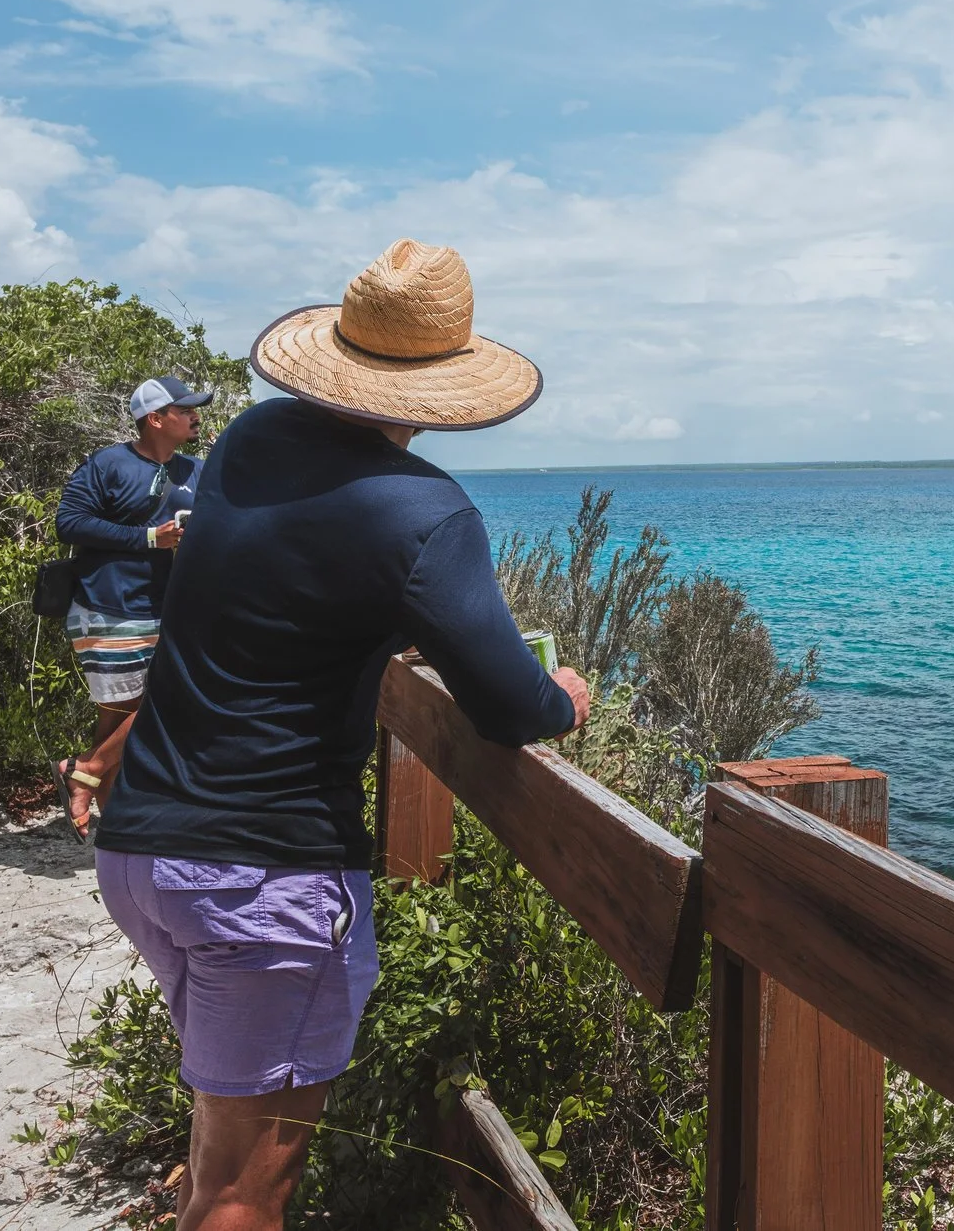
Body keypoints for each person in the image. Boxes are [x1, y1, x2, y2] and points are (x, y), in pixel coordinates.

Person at [63, 239, 590, 1231]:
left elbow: (283, 588)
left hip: (145, 852)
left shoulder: (250, 444)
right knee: (243, 1194)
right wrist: (564, 697)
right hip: (263, 879)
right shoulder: (426, 511)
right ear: (442, 385)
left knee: (220, 1148)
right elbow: (509, 703)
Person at [52, 375, 213, 815]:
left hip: (171, 610)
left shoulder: (196, 471)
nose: (196, 416)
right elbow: (69, 522)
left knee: (148, 710)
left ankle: (88, 781)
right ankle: (110, 811)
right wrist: (147, 539)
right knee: (122, 714)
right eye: (186, 410)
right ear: (156, 419)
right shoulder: (108, 464)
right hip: (109, 606)